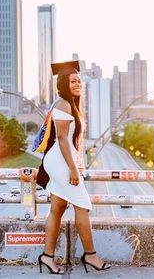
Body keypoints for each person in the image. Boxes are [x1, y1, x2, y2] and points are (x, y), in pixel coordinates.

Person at [38, 61, 111, 275]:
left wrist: (76, 162)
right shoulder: (63, 104)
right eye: (73, 81)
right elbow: (61, 138)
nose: (78, 83)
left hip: (62, 160)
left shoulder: (69, 104)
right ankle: (90, 256)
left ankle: (47, 257)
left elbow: (69, 140)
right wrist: (72, 168)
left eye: (79, 80)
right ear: (63, 83)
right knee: (83, 205)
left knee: (58, 208)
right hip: (60, 161)